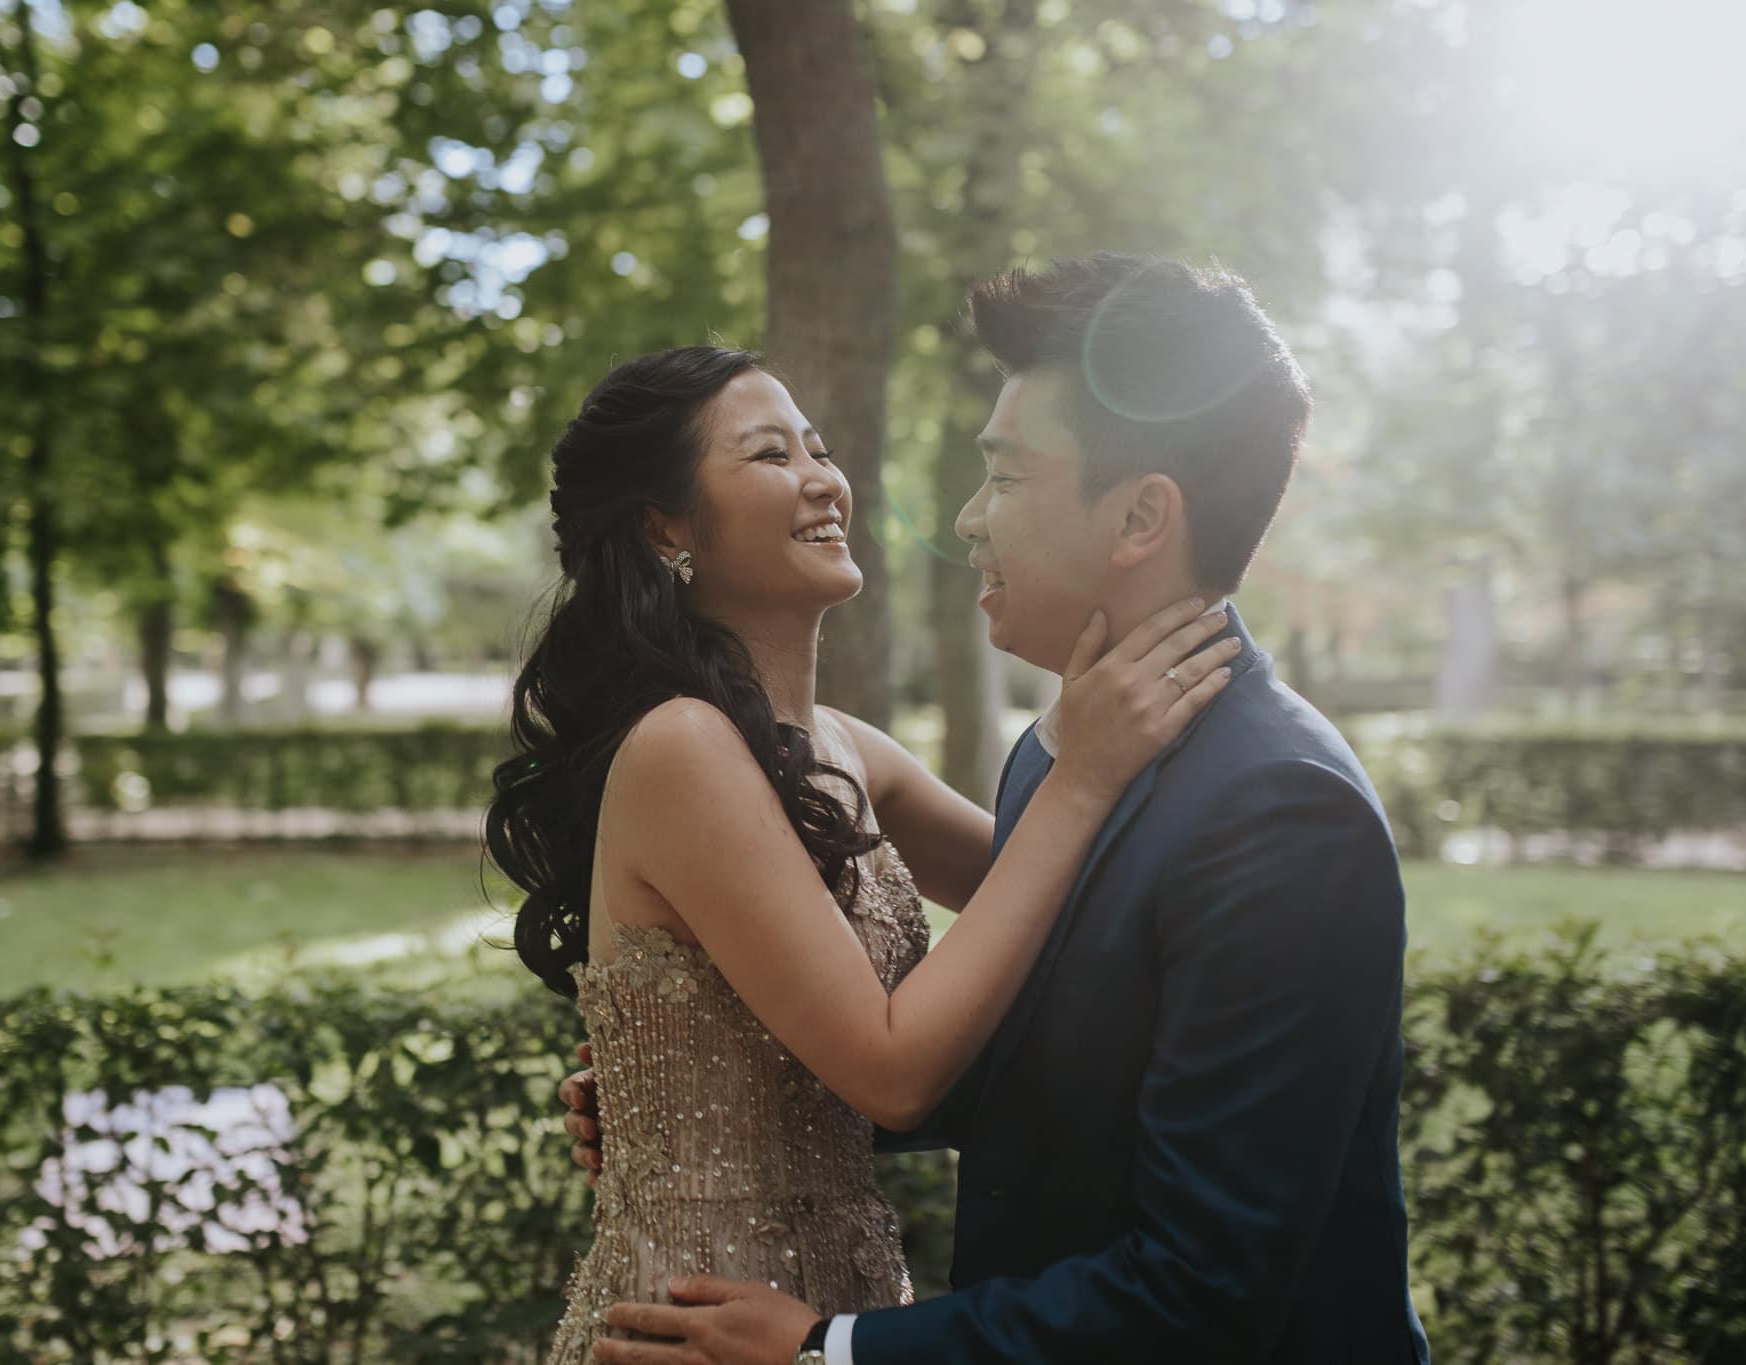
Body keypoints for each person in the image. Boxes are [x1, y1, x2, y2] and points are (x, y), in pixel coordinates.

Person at [564, 256, 1431, 1364]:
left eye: (1006, 478)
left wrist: (825, 1353)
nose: (966, 520)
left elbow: (1204, 1289)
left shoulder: (1276, 809)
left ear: (1137, 518)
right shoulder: (1062, 754)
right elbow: (1056, 1064)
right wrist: (695, 1088)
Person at [484, 343, 1235, 1363]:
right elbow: (892, 1071)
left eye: (818, 448)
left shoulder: (844, 750)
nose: (821, 478)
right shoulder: (680, 748)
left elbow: (1070, 906)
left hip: (832, 1313)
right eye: (767, 454)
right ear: (665, 527)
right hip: (696, 1324)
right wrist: (1084, 774)